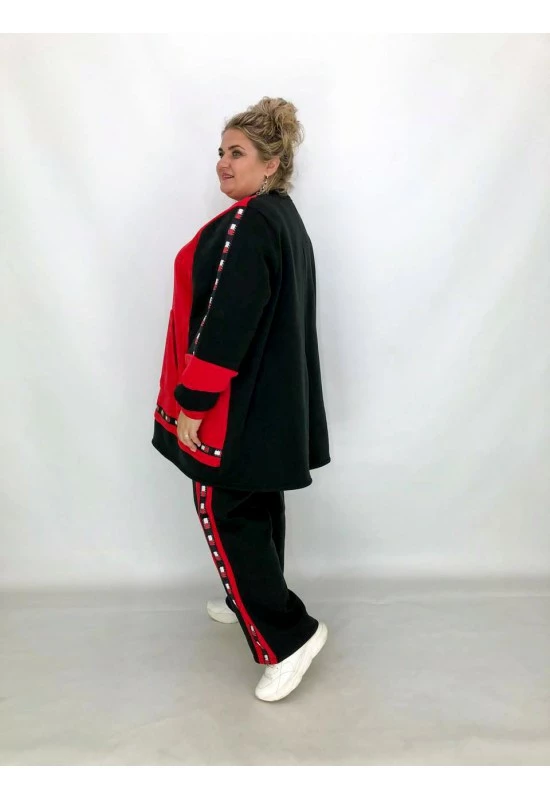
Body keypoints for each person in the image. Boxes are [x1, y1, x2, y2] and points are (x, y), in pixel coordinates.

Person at [152, 97, 331, 701]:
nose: (223, 163)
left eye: (238, 153)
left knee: (224, 507)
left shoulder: (251, 223)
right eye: (221, 152)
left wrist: (193, 401)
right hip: (268, 401)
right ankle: (249, 597)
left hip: (237, 404)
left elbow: (227, 323)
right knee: (256, 503)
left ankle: (288, 636)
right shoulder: (281, 217)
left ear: (271, 163)